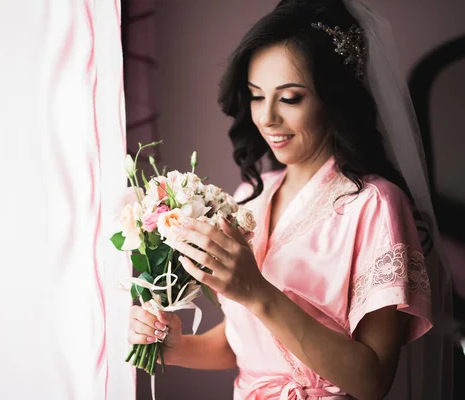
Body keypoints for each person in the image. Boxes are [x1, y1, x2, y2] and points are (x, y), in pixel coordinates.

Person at [127, 0, 452, 399]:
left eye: (290, 98)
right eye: (256, 96)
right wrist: (175, 347)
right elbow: (245, 341)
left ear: (333, 99)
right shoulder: (250, 197)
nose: (266, 118)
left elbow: (372, 381)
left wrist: (258, 292)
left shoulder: (374, 205)